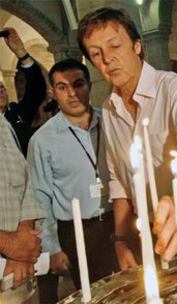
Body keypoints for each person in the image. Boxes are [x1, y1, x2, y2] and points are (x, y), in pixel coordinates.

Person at [77, 7, 177, 269]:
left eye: (115, 45)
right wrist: (120, 239)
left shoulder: (176, 88)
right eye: (96, 54)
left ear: (137, 45)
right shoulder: (109, 108)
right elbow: (119, 178)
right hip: (148, 226)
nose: (107, 59)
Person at [27, 59, 118, 301]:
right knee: (94, 296)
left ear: (89, 85)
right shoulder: (43, 140)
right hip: (77, 232)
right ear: (53, 92)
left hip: (116, 221)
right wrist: (53, 248)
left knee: (130, 289)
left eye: (78, 84)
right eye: (62, 87)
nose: (72, 93)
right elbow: (40, 198)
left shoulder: (111, 123)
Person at [0, 114, 44, 289]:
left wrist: (23, 236)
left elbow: (25, 183)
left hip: (15, 270)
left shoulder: (2, 124)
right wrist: (7, 243)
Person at [0, 28, 47, 156]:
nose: (1, 92)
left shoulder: (16, 113)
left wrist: (21, 53)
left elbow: (37, 90)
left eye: (2, 87)